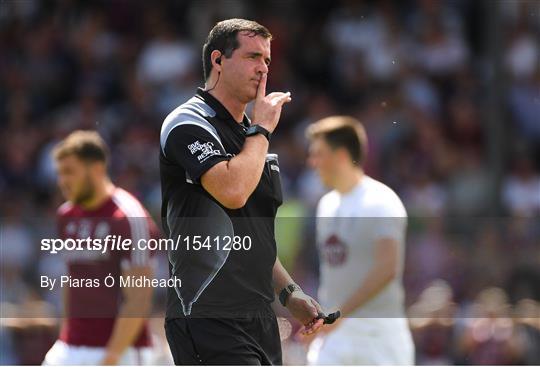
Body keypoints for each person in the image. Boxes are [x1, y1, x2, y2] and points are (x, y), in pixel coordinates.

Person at [160, 18, 324, 365]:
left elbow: (252, 234)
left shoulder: (251, 138)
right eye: (252, 57)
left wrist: (289, 291)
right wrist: (263, 128)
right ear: (218, 60)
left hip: (258, 315)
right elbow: (232, 192)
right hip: (207, 312)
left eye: (267, 60)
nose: (263, 69)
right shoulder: (188, 123)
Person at [304, 116, 415, 365]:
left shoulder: (381, 200)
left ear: (341, 156)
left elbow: (387, 268)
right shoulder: (326, 205)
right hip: (335, 339)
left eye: (319, 154)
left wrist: (340, 313)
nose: (312, 163)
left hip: (379, 339)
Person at [43, 130, 158, 365]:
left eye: (69, 172)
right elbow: (71, 280)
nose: (62, 181)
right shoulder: (66, 215)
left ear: (96, 169)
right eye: (60, 173)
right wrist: (65, 335)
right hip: (70, 347)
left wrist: (111, 358)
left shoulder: (128, 216)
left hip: (120, 351)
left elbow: (139, 298)